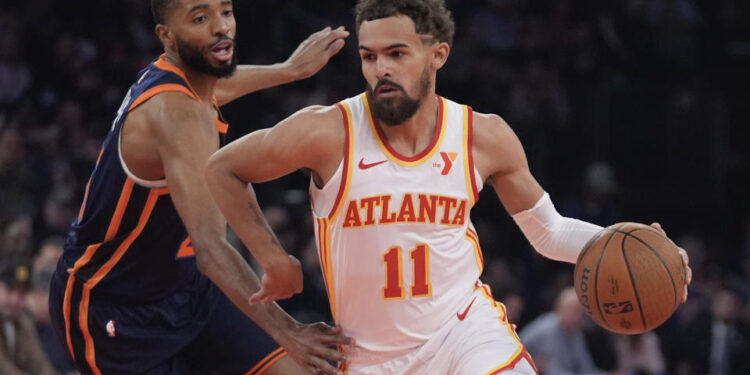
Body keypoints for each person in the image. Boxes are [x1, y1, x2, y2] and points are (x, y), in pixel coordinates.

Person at [205, 0, 692, 373]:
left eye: (397, 53)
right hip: (370, 355)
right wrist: (272, 258)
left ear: (437, 54)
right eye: (370, 56)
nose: (382, 70)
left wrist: (639, 247)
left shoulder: (483, 135)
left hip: (464, 333)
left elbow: (547, 231)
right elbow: (223, 168)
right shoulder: (327, 132)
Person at [48, 0, 352, 374]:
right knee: (299, 349)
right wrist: (289, 330)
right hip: (114, 306)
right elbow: (211, 250)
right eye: (200, 18)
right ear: (167, 37)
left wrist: (287, 70)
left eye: (226, 12)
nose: (221, 27)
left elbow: (216, 87)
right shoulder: (178, 115)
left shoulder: (179, 76)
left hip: (187, 286)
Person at [520, 287, 617, 375]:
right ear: (560, 308)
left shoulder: (574, 331)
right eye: (575, 310)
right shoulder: (548, 330)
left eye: (583, 313)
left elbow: (585, 367)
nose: (580, 317)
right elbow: (555, 372)